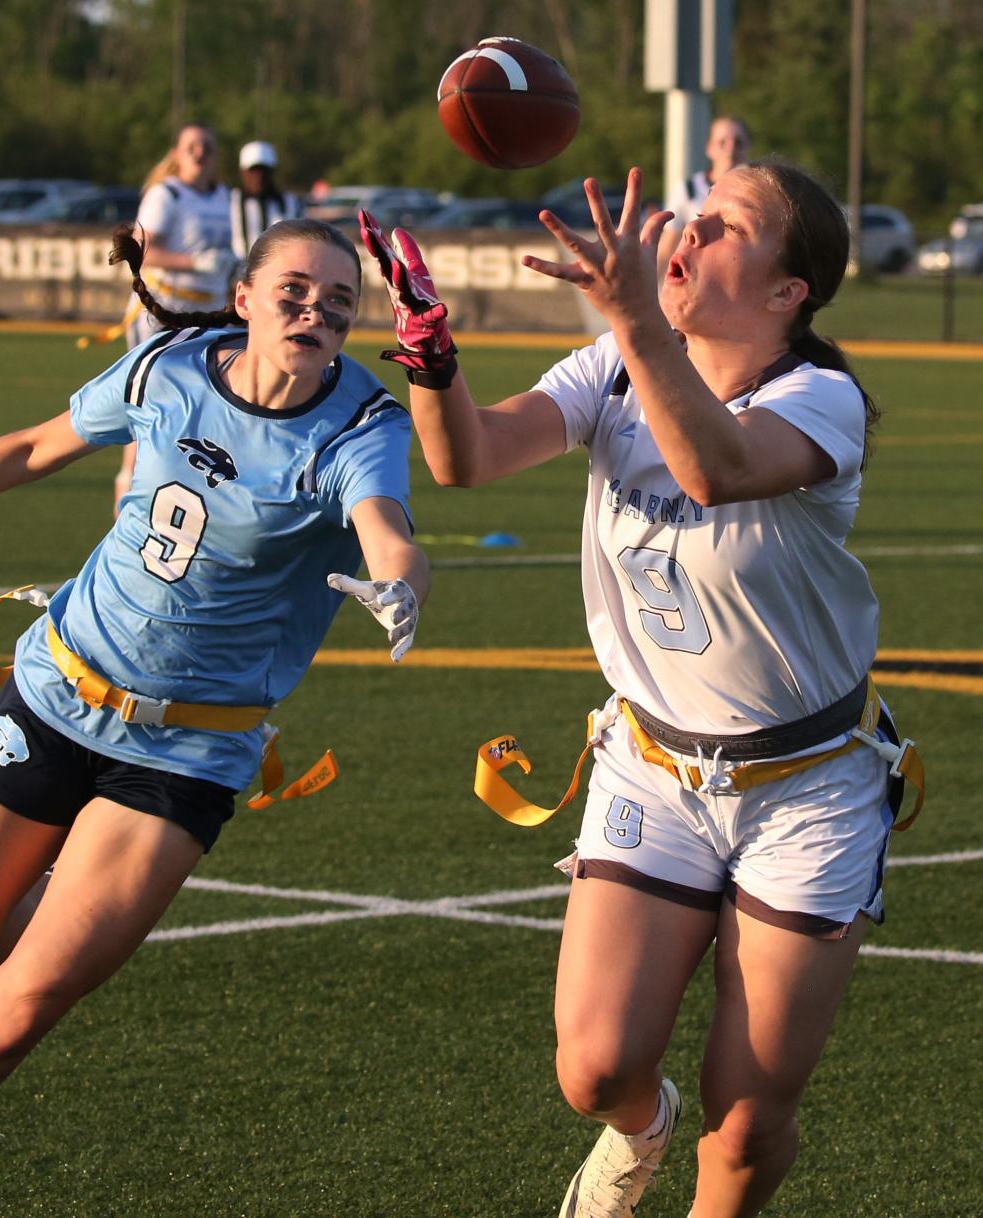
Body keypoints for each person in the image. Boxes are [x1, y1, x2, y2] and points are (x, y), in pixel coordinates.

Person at [0, 216, 429, 1217]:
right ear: (242, 298)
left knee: (22, 1004)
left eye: (338, 302)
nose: (314, 313)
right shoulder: (169, 370)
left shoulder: (361, 425)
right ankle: (69, 892)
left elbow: (386, 522)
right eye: (293, 291)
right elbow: (33, 448)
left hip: (187, 747)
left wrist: (398, 581)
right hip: (59, 688)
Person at [359, 157, 923, 1218]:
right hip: (656, 764)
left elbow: (716, 468)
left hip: (807, 786)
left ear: (786, 292)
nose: (690, 229)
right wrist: (430, 353)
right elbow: (466, 460)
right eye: (694, 214)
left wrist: (634, 321)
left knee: (748, 1121)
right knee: (596, 1070)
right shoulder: (611, 366)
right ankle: (640, 1127)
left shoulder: (819, 397)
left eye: (726, 224)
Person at [114, 122, 237, 510]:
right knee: (149, 404)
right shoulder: (166, 193)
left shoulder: (226, 197)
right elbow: (141, 249)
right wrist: (194, 262)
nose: (200, 153)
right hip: (163, 311)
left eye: (208, 146)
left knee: (200, 405)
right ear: (177, 154)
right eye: (192, 146)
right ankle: (127, 502)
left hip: (210, 315)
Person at [656, 115, 751, 276]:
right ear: (709, 148)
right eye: (722, 142)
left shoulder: (758, 193)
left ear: (748, 147)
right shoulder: (688, 190)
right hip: (697, 281)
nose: (731, 148)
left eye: (738, 143)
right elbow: (668, 248)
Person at [230, 139, 303, 259]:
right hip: (238, 272)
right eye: (253, 171)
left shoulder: (289, 203)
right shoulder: (230, 201)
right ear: (243, 172)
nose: (259, 177)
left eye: (264, 171)